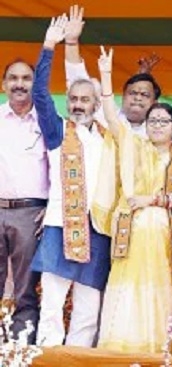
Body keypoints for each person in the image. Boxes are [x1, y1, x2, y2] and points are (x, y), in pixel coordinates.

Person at [93, 46, 172, 353]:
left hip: (163, 232)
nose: (156, 125)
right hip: (133, 231)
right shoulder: (133, 144)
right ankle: (120, 348)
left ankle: (156, 348)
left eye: (163, 121)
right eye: (152, 121)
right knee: (127, 287)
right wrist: (107, 76)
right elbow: (113, 116)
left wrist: (152, 199)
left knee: (157, 288)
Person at [30, 15, 111, 348]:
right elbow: (39, 94)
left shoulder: (111, 136)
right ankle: (48, 358)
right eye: (73, 99)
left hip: (98, 230)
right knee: (51, 304)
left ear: (96, 104)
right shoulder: (58, 130)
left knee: (88, 311)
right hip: (60, 227)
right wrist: (50, 47)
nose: (78, 105)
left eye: (85, 99)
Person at [0, 48, 47, 345]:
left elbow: (61, 166)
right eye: (13, 78)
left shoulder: (48, 122)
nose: (19, 84)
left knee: (26, 291)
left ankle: (20, 352)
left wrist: (52, 208)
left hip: (31, 213)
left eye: (26, 78)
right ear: (3, 84)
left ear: (35, 83)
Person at [63, 5, 161, 137]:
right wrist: (71, 42)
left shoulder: (162, 131)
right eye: (132, 93)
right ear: (123, 96)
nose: (137, 98)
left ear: (155, 103)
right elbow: (78, 81)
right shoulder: (104, 114)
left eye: (145, 95)